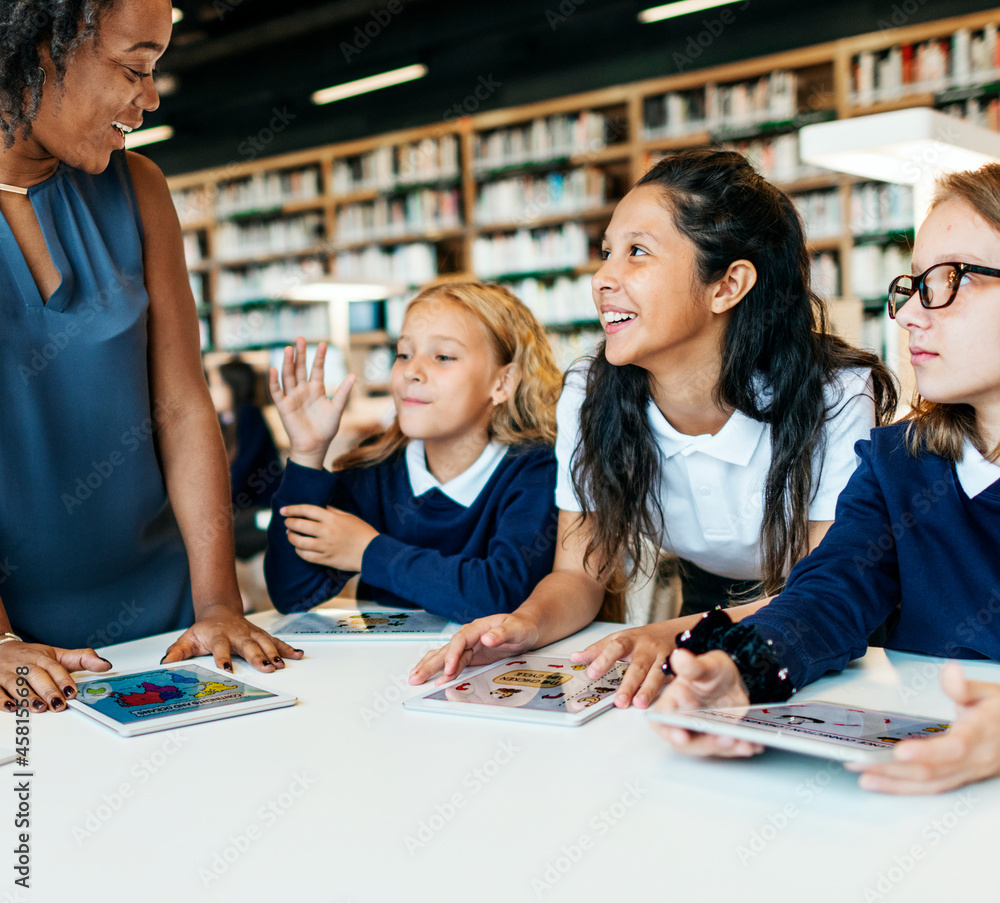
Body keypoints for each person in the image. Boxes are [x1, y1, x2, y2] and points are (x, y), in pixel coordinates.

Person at [409, 148, 896, 695]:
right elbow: (578, 574)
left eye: (637, 252)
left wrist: (665, 635)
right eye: (606, 253)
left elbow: (822, 594)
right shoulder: (589, 391)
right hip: (701, 604)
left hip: (823, 630)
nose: (602, 279)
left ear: (727, 285)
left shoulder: (835, 393)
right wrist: (523, 626)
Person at [653, 163, 1000, 795]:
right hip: (912, 796)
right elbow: (830, 593)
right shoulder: (897, 461)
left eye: (950, 280)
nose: (910, 317)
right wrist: (740, 670)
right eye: (914, 284)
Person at [0, 0, 302, 715]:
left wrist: (220, 601)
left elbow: (183, 404)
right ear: (41, 51)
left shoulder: (139, 192)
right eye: (135, 67)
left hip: (166, 622)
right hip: (21, 651)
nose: (151, 96)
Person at [264, 281, 563, 622]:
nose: (411, 371)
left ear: (502, 383)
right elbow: (292, 592)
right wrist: (308, 454)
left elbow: (503, 595)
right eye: (403, 354)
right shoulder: (376, 468)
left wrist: (368, 551)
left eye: (443, 357)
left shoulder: (537, 468)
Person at [209, 358, 283, 559]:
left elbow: (241, 471)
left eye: (217, 384)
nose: (210, 390)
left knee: (214, 535)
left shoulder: (250, 415)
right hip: (245, 508)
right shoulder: (228, 420)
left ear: (233, 386)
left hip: (262, 509)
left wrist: (213, 502)